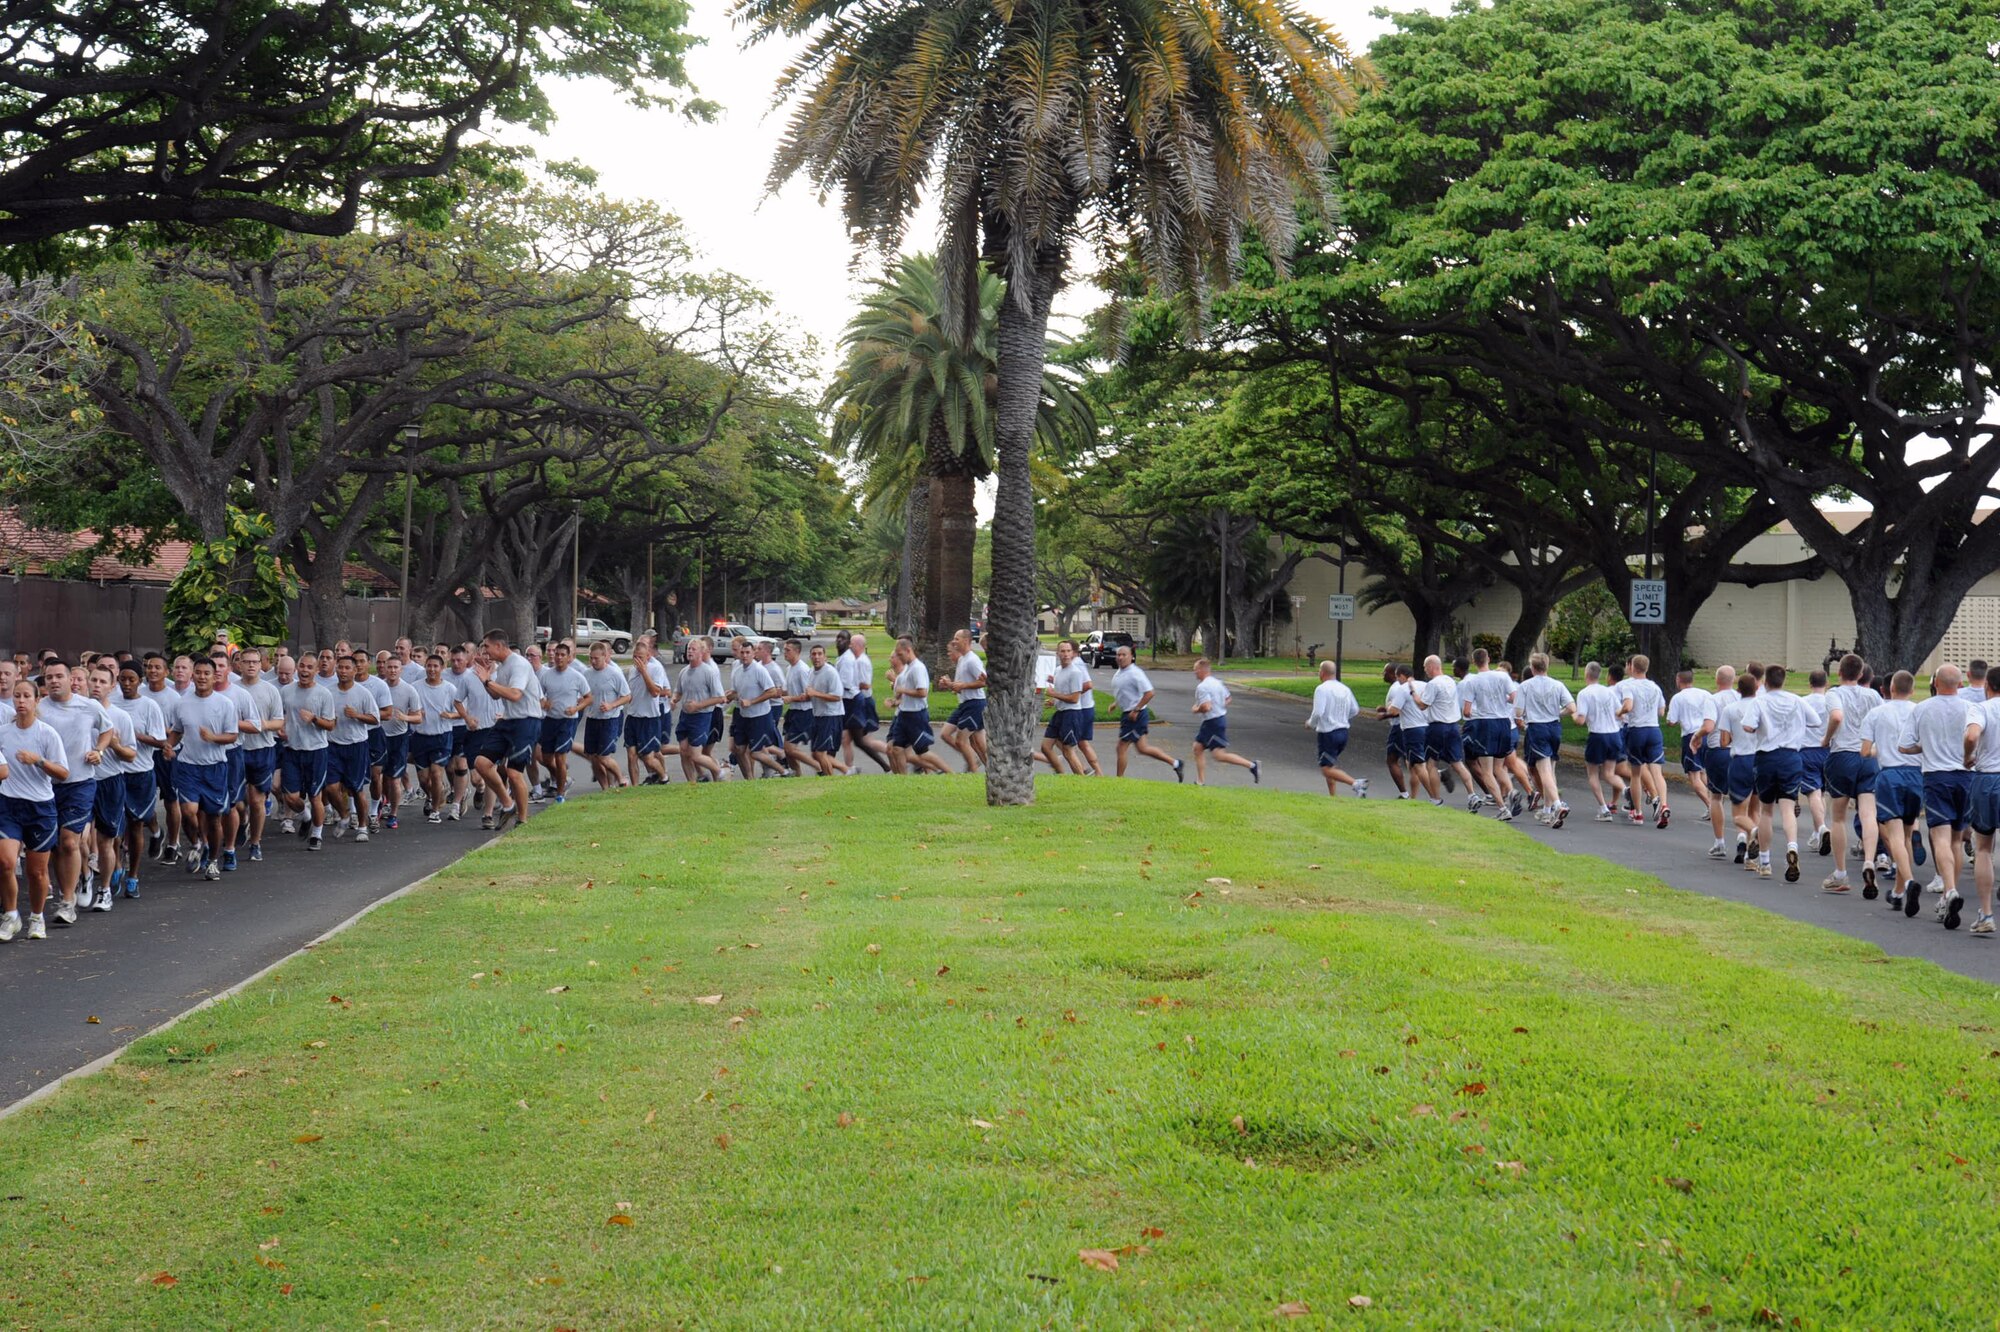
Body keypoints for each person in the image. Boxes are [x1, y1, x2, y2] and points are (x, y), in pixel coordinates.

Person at [38, 661, 116, 917]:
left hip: (80, 783)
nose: (54, 681)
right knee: (56, 846)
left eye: (59, 676)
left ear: (71, 678)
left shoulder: (88, 706)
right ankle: (71, 885)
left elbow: (107, 730)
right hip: (47, 786)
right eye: (49, 677)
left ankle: (67, 902)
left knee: (69, 841)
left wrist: (99, 750)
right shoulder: (40, 709)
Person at [1903, 663, 1973, 929]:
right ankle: (1947, 894)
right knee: (1956, 839)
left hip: (1936, 776)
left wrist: (1926, 746)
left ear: (1936, 682)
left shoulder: (1923, 708)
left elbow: (1905, 745)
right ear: (1959, 684)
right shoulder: (1970, 708)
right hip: (1966, 776)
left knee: (1940, 837)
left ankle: (1950, 889)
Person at [0, 679, 70, 940]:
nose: (20, 701)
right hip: (8, 804)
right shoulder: (3, 733)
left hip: (40, 807)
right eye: (16, 696)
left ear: (36, 700)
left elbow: (63, 773)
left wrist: (38, 761)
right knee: (5, 862)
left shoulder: (46, 733)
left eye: (25, 696)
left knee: (36, 871)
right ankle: (10, 916)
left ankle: (37, 917)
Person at [174, 657, 242, 878]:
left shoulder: (224, 704)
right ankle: (196, 844)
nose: (202, 677)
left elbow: (233, 735)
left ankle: (213, 860)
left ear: (215, 677)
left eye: (207, 673)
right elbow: (177, 730)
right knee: (188, 811)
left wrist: (214, 738)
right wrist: (169, 745)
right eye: (199, 673)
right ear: (192, 675)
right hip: (188, 766)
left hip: (215, 768)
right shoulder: (182, 702)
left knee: (213, 818)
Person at [1864, 671, 1924, 916]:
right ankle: (1899, 892)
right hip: (1916, 774)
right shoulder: (1920, 710)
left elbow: (1865, 751)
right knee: (1909, 834)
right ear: (1911, 689)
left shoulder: (1877, 712)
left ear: (1889, 688)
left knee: (1895, 835)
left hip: (1890, 775)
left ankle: (1908, 882)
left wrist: (1884, 750)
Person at [1822, 654, 1882, 896]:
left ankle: (1840, 873)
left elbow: (1837, 716)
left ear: (1839, 673)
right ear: (1860, 675)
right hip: (1867, 755)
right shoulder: (1873, 696)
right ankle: (1869, 860)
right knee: (1868, 813)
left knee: (1837, 817)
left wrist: (1826, 739)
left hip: (1843, 754)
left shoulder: (1834, 694)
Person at [1741, 663, 1806, 882]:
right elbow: (1815, 722)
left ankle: (1765, 861)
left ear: (1766, 681)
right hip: (1791, 756)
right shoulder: (1796, 700)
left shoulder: (1760, 701)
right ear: (1784, 680)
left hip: (1767, 756)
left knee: (1766, 810)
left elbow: (1748, 726)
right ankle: (1792, 846)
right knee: (1788, 808)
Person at [84, 664, 138, 911]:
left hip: (110, 782)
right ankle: (82, 880)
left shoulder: (121, 716)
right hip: (80, 783)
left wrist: (114, 745)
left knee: (106, 840)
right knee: (73, 840)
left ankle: (104, 890)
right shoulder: (77, 710)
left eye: (102, 682)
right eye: (93, 680)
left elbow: (131, 755)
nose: (96, 685)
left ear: (112, 686)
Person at [111, 662, 166, 897]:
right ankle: (115, 867)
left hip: (141, 772)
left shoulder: (149, 706)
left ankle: (133, 875)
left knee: (135, 826)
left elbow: (160, 740)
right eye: (122, 679)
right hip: (115, 773)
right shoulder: (110, 703)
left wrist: (135, 736)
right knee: (112, 828)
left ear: (140, 681)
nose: (126, 684)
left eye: (131, 679)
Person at [473, 630, 538, 828]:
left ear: (499, 646)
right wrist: (486, 679)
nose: (484, 650)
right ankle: (508, 804)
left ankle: (522, 820)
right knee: (481, 763)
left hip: (526, 721)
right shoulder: (502, 667)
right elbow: (495, 695)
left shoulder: (519, 664)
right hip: (508, 721)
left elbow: (515, 694)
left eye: (487, 646)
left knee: (514, 772)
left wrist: (487, 680)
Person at [278, 652, 334, 848]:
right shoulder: (286, 691)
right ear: (297, 668)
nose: (305, 670)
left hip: (316, 751)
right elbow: (282, 715)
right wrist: (281, 728)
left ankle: (317, 835)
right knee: (290, 797)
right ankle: (305, 815)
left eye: (310, 667)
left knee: (315, 795)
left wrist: (315, 719)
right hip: (292, 749)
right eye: (302, 666)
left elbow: (331, 725)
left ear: (317, 671)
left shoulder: (323, 694)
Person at [233, 648, 284, 860]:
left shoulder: (270, 690)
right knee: (235, 802)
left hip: (262, 750)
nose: (251, 665)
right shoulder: (231, 690)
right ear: (240, 664)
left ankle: (255, 843)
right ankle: (242, 821)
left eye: (255, 662)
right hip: (236, 750)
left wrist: (262, 725)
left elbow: (279, 722)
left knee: (257, 801)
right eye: (247, 662)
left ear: (261, 664)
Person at [324, 654, 378, 842]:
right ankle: (344, 815)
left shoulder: (363, 693)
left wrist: (357, 715)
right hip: (332, 745)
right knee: (330, 788)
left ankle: (362, 827)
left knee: (356, 789)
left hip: (356, 746)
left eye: (348, 668)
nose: (343, 671)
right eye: (340, 667)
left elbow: (375, 719)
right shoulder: (328, 692)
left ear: (355, 671)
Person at [1109, 644, 1182, 781]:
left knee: (1121, 747)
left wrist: (1136, 710)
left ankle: (1119, 780)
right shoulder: (1120, 672)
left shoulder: (1136, 673)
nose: (1120, 657)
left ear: (1131, 657)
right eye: (1118, 654)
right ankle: (1176, 763)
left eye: (1124, 654)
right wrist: (1115, 703)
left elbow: (1149, 693)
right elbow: (1125, 692)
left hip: (1135, 715)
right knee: (1143, 748)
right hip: (1128, 713)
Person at [1516, 655, 1572, 828]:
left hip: (1537, 728)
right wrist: (1557, 713)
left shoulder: (1526, 686)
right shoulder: (1558, 685)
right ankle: (1547, 811)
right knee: (1551, 769)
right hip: (1554, 727)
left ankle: (1557, 805)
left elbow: (1518, 711)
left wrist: (1524, 716)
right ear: (1547, 666)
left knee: (1544, 770)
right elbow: (1571, 708)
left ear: (1532, 668)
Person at [1187, 657, 1260, 786]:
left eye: (1195, 670)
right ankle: (1251, 765)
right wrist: (1219, 706)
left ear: (1202, 670)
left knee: (1208, 752)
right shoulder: (1217, 683)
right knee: (1207, 751)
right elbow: (1228, 699)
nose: (1194, 673)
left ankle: (1200, 781)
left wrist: (1195, 709)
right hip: (1219, 720)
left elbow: (1206, 707)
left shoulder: (1203, 687)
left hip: (1212, 722)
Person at [535, 640, 592, 803]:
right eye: (556, 654)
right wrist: (544, 704)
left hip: (567, 721)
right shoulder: (546, 675)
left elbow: (589, 698)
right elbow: (540, 697)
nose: (558, 658)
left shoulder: (577, 676)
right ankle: (564, 778)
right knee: (546, 759)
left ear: (569, 658)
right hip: (550, 720)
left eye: (562, 655)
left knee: (560, 757)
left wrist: (576, 708)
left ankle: (560, 794)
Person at [141, 651, 184, 862]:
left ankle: (173, 843)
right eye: (149, 667)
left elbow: (179, 728)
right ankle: (157, 831)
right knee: (144, 802)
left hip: (165, 753)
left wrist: (164, 736)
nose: (153, 671)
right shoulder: (140, 693)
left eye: (158, 667)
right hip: (143, 754)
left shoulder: (174, 698)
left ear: (166, 673)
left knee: (171, 799)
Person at [1619, 654, 1670, 828]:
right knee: (1657, 772)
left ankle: (1638, 813)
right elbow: (1662, 711)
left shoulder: (1629, 686)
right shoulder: (1655, 687)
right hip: (1654, 730)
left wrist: (1619, 713)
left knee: (1636, 773)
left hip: (1637, 730)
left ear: (1632, 667)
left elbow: (1628, 706)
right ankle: (1663, 805)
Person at [1572, 662, 1627, 823]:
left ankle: (1603, 808)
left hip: (1597, 735)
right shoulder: (1609, 692)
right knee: (1609, 773)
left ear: (1586, 674)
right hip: (1614, 735)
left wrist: (1574, 714)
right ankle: (1625, 789)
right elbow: (1620, 714)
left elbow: (1580, 720)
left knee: (1593, 773)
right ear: (1600, 675)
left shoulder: (1584, 693)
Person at [408, 654, 460, 821]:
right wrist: (415, 713)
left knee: (436, 774)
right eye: (429, 666)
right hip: (420, 737)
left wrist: (450, 715)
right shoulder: (415, 687)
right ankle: (433, 795)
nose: (431, 669)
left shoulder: (450, 689)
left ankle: (435, 811)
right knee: (424, 780)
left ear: (442, 668)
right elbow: (407, 708)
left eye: (435, 666)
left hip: (441, 737)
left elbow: (462, 712)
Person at [887, 637, 950, 774]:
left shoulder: (918, 668)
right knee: (896, 748)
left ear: (908, 650)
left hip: (916, 715)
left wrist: (903, 690)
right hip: (904, 714)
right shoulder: (909, 668)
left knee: (922, 752)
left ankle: (950, 773)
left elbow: (922, 692)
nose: (898, 657)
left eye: (900, 654)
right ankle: (903, 782)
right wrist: (896, 700)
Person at [1422, 656, 1478, 807]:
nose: (1425, 670)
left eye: (1425, 667)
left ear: (1432, 666)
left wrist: (1413, 694)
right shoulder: (1450, 681)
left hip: (1437, 727)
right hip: (1453, 726)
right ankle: (1472, 795)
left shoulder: (1433, 684)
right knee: (1458, 763)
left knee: (1431, 763)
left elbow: (1423, 705)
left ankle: (1436, 799)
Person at [375, 655, 422, 828]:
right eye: (390, 667)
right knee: (378, 777)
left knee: (394, 779)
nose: (392, 670)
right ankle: (380, 803)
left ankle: (393, 814)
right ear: (384, 669)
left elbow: (418, 717)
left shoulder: (409, 690)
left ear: (401, 670)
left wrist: (405, 717)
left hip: (399, 738)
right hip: (379, 736)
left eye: (396, 667)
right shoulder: (378, 687)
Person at [674, 638, 728, 784]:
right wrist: (673, 700)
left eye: (693, 649)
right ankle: (692, 783)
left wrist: (698, 705)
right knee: (683, 751)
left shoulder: (708, 672)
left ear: (701, 652)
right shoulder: (684, 672)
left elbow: (721, 698)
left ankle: (719, 771)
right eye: (688, 649)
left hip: (702, 716)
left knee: (696, 755)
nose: (689, 651)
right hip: (685, 716)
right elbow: (678, 692)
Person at [580, 641, 632, 791]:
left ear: (604, 656)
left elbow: (627, 696)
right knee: (593, 757)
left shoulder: (614, 674)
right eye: (591, 658)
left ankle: (621, 778)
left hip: (610, 719)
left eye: (596, 658)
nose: (593, 661)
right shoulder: (586, 674)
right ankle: (605, 788)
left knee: (603, 757)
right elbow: (583, 695)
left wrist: (611, 705)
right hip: (592, 718)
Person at [1666, 667, 1716, 820]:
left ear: (1678, 680)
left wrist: (1673, 719)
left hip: (1690, 737)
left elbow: (1671, 721)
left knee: (1694, 776)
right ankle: (1714, 802)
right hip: (1706, 735)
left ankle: (1711, 806)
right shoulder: (1706, 694)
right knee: (1703, 771)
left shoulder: (1678, 698)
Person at [1306, 661, 1362, 797]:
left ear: (1322, 672)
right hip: (1343, 731)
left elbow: (1318, 712)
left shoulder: (1322, 689)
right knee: (1331, 765)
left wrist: (1310, 723)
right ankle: (1333, 796)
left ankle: (1356, 784)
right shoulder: (1344, 689)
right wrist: (1342, 717)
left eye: (1319, 670)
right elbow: (1355, 709)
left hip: (1328, 732)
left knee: (1326, 769)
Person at [836, 633, 890, 773]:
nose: (849, 646)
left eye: (851, 643)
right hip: (856, 700)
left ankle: (894, 754)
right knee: (846, 739)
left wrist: (848, 685)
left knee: (864, 740)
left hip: (861, 702)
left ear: (858, 645)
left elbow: (865, 685)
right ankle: (849, 769)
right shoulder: (855, 659)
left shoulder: (861, 661)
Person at [623, 639, 673, 787]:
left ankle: (663, 776)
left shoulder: (655, 669)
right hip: (633, 717)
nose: (638, 661)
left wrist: (644, 672)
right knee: (631, 754)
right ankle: (635, 786)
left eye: (641, 657)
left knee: (648, 757)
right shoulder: (632, 670)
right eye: (635, 657)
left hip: (649, 718)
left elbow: (655, 692)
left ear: (648, 657)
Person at [936, 631, 989, 771]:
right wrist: (948, 684)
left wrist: (962, 686)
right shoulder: (962, 660)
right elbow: (959, 687)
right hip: (964, 704)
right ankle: (990, 769)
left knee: (962, 740)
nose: (954, 642)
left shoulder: (972, 660)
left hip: (975, 704)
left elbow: (985, 682)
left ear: (966, 641)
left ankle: (974, 769)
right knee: (975, 742)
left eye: (956, 639)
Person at [1039, 640, 1090, 774]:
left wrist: (1054, 694)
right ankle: (1061, 773)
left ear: (1073, 654)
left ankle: (1081, 780)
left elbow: (1074, 698)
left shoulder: (1075, 672)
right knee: (1046, 746)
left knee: (1068, 750)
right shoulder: (1058, 670)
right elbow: (1063, 691)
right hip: (1060, 713)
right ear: (1057, 654)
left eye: (1068, 651)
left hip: (1072, 714)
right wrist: (1054, 700)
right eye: (1063, 651)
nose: (1066, 654)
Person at [1799, 670, 1833, 855]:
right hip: (1827, 749)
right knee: (1823, 793)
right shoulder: (1831, 702)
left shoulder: (1803, 702)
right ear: (1826, 683)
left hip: (1808, 749)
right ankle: (1816, 831)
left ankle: (1820, 828)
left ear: (1810, 683)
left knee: (1813, 792)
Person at [804, 643, 851, 777]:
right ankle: (844, 771)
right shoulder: (811, 672)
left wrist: (815, 694)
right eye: (814, 654)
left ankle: (831, 781)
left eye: (820, 654)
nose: (817, 657)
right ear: (810, 657)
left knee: (820, 753)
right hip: (818, 716)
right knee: (816, 753)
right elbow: (810, 694)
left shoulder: (830, 672)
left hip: (831, 716)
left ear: (825, 657)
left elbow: (837, 696)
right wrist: (792, 698)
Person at [778, 638, 818, 774]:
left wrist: (792, 698)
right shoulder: (790, 668)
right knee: (788, 751)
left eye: (788, 650)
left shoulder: (802, 670)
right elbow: (787, 690)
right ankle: (797, 775)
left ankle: (818, 767)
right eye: (784, 650)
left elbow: (809, 695)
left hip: (804, 713)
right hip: (793, 712)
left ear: (797, 651)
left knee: (790, 749)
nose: (785, 653)